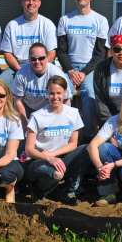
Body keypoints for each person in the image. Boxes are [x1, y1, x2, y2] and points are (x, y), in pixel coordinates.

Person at [57, 0, 109, 142]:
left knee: (91, 93)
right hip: (68, 69)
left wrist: (83, 73)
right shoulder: (65, 20)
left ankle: (88, 134)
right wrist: (71, 72)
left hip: (91, 69)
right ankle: (63, 134)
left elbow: (100, 54)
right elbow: (61, 51)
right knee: (61, 92)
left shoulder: (100, 20)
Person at [25, 76, 90, 205]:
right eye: (52, 93)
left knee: (87, 149)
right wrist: (48, 158)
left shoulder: (73, 113)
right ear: (47, 93)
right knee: (58, 173)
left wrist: (53, 154)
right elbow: (29, 150)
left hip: (59, 157)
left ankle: (67, 190)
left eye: (59, 93)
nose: (55, 97)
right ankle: (38, 191)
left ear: (65, 93)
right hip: (38, 161)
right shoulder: (37, 117)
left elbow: (73, 144)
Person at [0, 0, 57, 87]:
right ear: (22, 3)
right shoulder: (12, 25)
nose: (31, 3)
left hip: (42, 65)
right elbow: (7, 53)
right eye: (27, 0)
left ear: (39, 3)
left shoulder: (47, 25)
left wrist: (39, 69)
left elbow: (51, 54)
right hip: (18, 66)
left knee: (60, 87)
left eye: (34, 0)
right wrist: (19, 69)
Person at [11, 43, 72, 131]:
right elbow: (18, 100)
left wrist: (63, 121)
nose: (37, 62)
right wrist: (24, 124)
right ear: (29, 59)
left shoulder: (57, 74)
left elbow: (65, 100)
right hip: (29, 109)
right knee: (22, 138)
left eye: (41, 58)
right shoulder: (21, 74)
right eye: (33, 59)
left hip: (51, 109)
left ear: (47, 58)